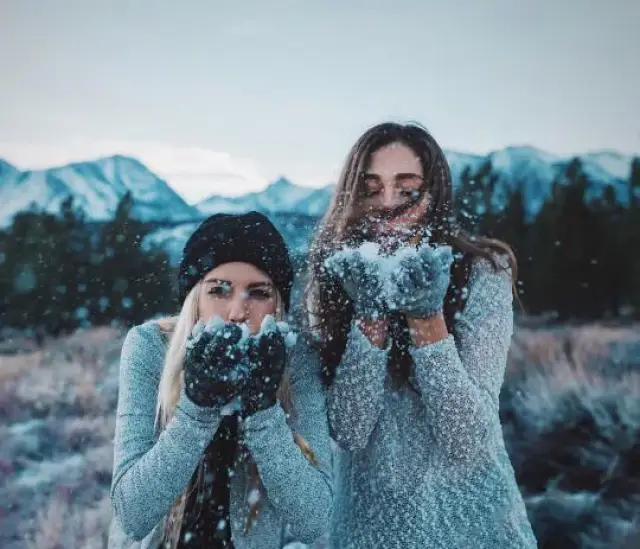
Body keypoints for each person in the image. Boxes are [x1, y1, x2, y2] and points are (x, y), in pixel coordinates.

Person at [305, 122, 538, 548]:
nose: (388, 205)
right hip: (369, 532)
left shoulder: (480, 272)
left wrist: (427, 319)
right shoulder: (336, 278)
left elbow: (466, 437)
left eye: (407, 190)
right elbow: (349, 431)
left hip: (476, 529)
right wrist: (369, 320)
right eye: (371, 189)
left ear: (434, 197)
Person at [107, 211, 333, 549]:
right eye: (219, 290)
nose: (237, 311)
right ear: (195, 297)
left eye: (258, 293)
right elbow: (132, 514)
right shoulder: (151, 347)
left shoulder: (296, 361)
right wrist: (196, 410)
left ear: (278, 303)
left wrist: (263, 411)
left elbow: (313, 519)